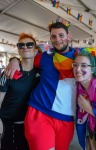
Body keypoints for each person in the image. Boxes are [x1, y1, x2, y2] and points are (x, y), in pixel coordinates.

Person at [4, 22, 76, 150]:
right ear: (50, 39)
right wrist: (14, 60)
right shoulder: (44, 58)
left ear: (69, 36)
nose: (58, 39)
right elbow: (26, 59)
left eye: (61, 35)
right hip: (40, 113)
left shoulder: (80, 60)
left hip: (66, 118)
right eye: (54, 36)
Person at [0, 33, 40, 150]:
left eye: (29, 45)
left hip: (28, 124)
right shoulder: (9, 72)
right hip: (7, 123)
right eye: (21, 45)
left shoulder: (40, 73)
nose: (25, 47)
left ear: (35, 51)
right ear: (18, 50)